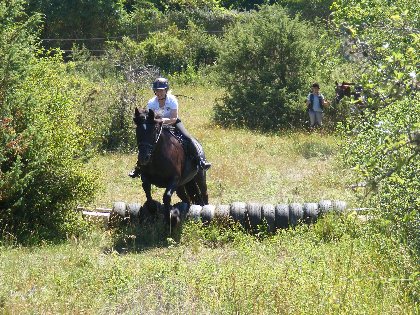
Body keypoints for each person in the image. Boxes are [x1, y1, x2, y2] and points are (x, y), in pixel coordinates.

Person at [129, 77, 211, 178]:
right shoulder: (151, 102)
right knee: (146, 143)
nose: (159, 93)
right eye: (157, 91)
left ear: (166, 90)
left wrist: (162, 121)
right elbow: (149, 118)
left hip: (173, 123)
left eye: (161, 90)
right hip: (158, 125)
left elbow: (173, 118)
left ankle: (200, 161)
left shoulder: (172, 100)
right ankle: (138, 167)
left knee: (188, 138)